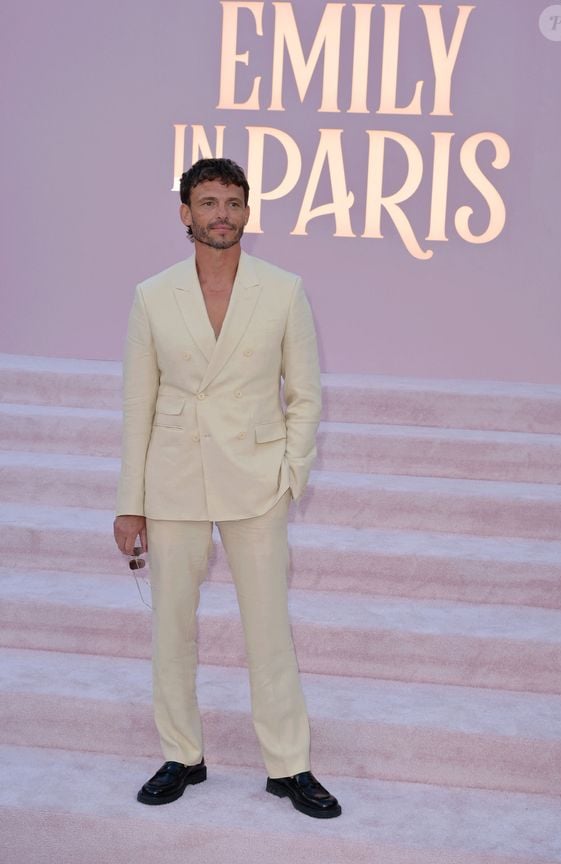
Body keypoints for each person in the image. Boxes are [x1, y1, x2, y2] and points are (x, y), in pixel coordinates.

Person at [113, 157, 341, 819]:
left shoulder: (283, 289)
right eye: (208, 202)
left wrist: (289, 473)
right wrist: (131, 502)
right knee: (172, 630)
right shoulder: (153, 296)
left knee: (269, 630)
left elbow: (305, 394)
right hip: (174, 479)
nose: (221, 215)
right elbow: (137, 405)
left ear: (247, 211)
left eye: (232, 203)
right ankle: (182, 755)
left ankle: (289, 766)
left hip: (255, 479)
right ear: (185, 213)